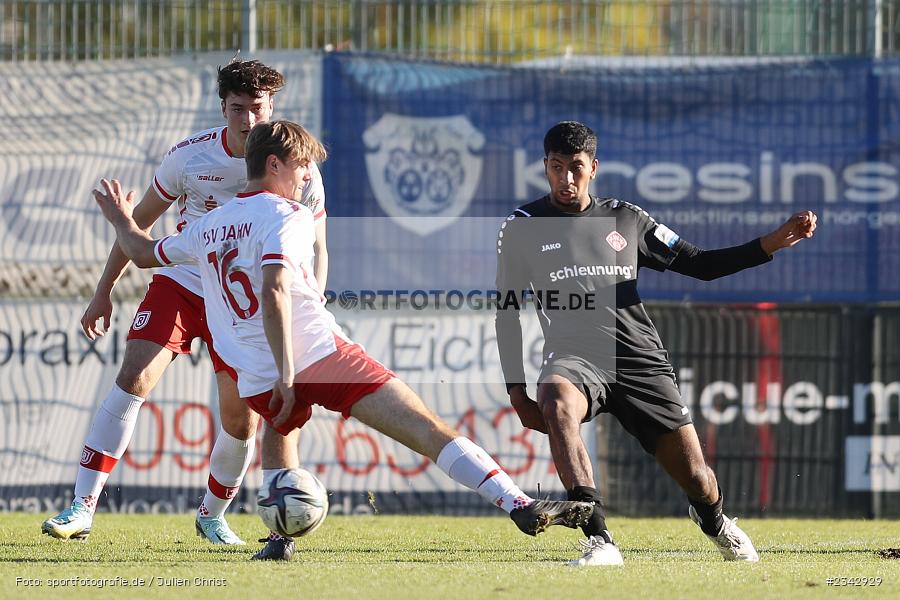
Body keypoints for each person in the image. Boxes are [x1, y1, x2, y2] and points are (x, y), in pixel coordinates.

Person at [92, 120, 596, 543]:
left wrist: (120, 218)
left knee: (280, 448)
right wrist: (290, 372)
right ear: (275, 165)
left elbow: (142, 253)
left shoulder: (208, 225)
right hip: (315, 356)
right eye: (302, 166)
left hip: (257, 376)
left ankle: (279, 540)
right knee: (426, 428)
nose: (306, 177)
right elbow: (274, 290)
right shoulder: (287, 214)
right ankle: (519, 504)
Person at [494, 121, 818, 566]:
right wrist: (516, 390)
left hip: (639, 361)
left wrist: (772, 243)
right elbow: (507, 310)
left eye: (576, 167)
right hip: (574, 358)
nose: (566, 178)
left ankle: (714, 521)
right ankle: (599, 540)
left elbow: (701, 264)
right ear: (545, 166)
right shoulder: (521, 227)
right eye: (556, 167)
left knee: (698, 478)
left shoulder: (626, 219)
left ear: (594, 168)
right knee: (556, 400)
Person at [42, 60, 325, 559]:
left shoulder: (295, 164)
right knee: (134, 377)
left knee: (241, 422)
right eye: (237, 109)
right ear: (223, 108)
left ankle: (211, 516)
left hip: (241, 300)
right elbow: (139, 226)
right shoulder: (189, 158)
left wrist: (313, 301)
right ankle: (81, 508)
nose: (248, 120)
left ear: (271, 106)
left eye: (256, 108)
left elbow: (318, 245)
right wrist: (104, 290)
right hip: (185, 281)